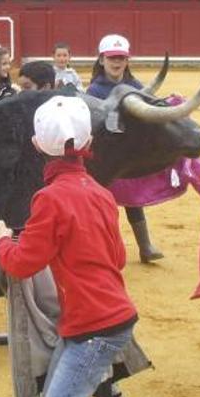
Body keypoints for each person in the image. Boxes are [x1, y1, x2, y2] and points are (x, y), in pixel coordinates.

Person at [0, 95, 138, 397]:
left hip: (91, 327)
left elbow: (22, 264)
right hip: (105, 318)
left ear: (36, 145)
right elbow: (120, 258)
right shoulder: (101, 193)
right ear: (88, 142)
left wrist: (1, 240)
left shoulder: (49, 199)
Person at [86, 34, 163, 263]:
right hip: (103, 156)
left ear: (127, 60)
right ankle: (105, 248)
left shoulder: (136, 86)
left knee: (133, 199)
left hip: (128, 154)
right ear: (101, 60)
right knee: (102, 203)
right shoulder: (94, 91)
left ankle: (145, 246)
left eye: (121, 57)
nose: (117, 62)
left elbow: (152, 106)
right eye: (112, 58)